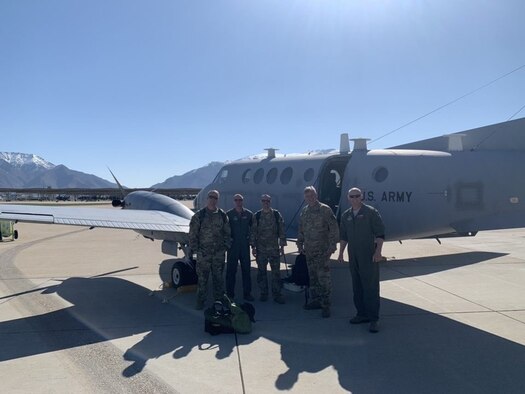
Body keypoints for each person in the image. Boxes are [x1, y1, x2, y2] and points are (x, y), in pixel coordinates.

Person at [338, 187, 385, 333]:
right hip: (353, 255)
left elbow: (380, 234)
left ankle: (374, 319)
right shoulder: (346, 215)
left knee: (370, 287)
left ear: (362, 196)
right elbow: (344, 237)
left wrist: (378, 252)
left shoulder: (370, 212)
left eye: (357, 196)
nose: (355, 199)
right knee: (357, 286)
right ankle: (361, 314)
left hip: (368, 255)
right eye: (352, 196)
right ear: (348, 198)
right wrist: (341, 253)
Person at [297, 186, 339, 318]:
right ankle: (316, 301)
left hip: (322, 251)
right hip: (309, 251)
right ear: (305, 198)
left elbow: (334, 229)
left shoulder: (325, 210)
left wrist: (332, 247)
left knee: (324, 278)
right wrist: (299, 243)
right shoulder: (304, 211)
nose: (310, 198)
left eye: (312, 195)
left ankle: (326, 305)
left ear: (316, 195)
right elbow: (301, 229)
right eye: (307, 196)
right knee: (313, 278)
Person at [189, 189, 231, 310]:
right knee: (202, 280)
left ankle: (219, 300)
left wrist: (225, 248)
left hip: (218, 254)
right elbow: (192, 236)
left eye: (215, 198)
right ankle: (200, 301)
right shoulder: (198, 216)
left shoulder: (222, 215)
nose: (213, 200)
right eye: (211, 197)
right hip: (203, 255)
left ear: (218, 200)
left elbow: (227, 233)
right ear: (207, 198)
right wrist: (196, 253)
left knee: (218, 279)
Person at [250, 194, 287, 304]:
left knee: (276, 272)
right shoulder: (257, 216)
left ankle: (277, 294)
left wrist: (282, 245)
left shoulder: (276, 214)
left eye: (267, 201)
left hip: (274, 249)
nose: (265, 202)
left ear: (270, 202)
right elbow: (253, 232)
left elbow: (281, 230)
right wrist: (253, 247)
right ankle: (264, 293)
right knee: (261, 272)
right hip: (261, 249)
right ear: (261, 202)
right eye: (264, 201)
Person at [225, 194, 254, 301]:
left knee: (246, 270)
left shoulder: (249, 214)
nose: (238, 202)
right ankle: (230, 294)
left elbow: (253, 229)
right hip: (233, 247)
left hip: (245, 247)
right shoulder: (228, 214)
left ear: (243, 201)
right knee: (231, 271)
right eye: (236, 200)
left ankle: (247, 293)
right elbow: (225, 230)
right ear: (233, 201)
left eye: (240, 200)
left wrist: (252, 243)